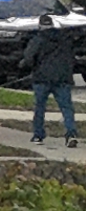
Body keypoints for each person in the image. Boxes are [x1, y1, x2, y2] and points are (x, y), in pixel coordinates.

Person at [32, 11, 82, 147]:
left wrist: (26, 65)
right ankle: (71, 133)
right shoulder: (65, 39)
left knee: (40, 107)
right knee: (67, 107)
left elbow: (29, 56)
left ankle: (38, 135)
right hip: (62, 79)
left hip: (42, 78)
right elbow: (71, 58)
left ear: (40, 26)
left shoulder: (38, 39)